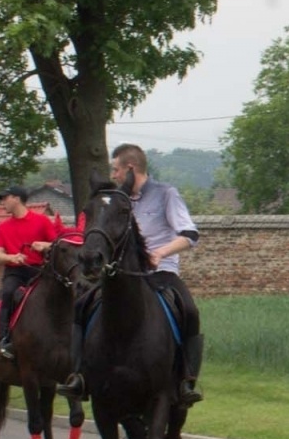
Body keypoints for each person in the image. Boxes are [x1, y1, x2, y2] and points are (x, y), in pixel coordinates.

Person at [60, 143, 204, 406]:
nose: (113, 175)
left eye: (115, 170)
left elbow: (190, 234)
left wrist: (160, 253)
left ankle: (186, 380)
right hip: (119, 275)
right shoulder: (116, 199)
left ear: (130, 168)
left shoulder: (165, 194)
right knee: (81, 306)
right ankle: (79, 376)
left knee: (190, 311)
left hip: (160, 273)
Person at [0, 185, 63, 359]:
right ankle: (4, 339)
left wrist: (44, 245)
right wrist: (11, 257)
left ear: (17, 199)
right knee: (8, 292)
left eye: (5, 198)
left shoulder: (42, 221)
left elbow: (58, 245)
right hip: (15, 272)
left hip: (39, 271)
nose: (2, 202)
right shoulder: (3, 227)